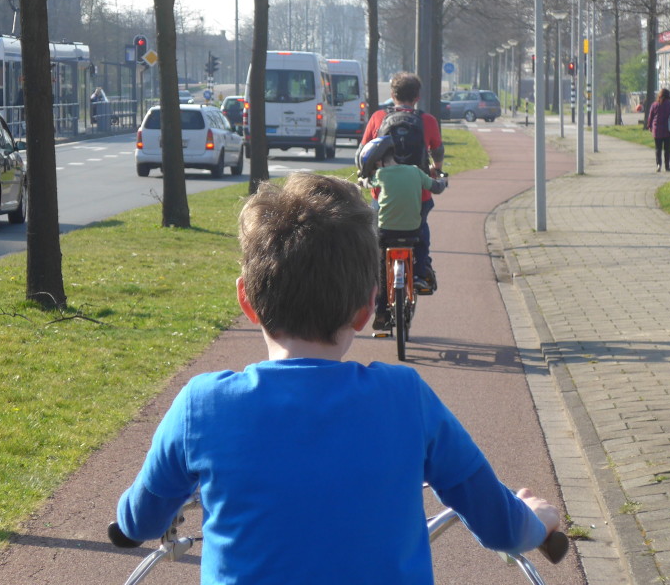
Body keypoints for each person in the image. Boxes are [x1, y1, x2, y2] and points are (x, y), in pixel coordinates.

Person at [110, 173, 560, 584]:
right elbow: (502, 525)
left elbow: (140, 520)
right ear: (367, 308)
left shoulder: (202, 407)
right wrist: (536, 519)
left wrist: (128, 522)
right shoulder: (407, 399)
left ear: (247, 300)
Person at [360, 72, 444, 289]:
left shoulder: (378, 118)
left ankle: (376, 286)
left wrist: (367, 175)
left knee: (377, 235)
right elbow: (437, 150)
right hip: (419, 194)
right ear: (417, 97)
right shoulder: (427, 120)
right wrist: (437, 170)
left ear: (392, 94)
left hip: (382, 194)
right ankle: (420, 272)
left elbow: (363, 151)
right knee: (421, 226)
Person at [358, 135, 447, 330]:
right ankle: (419, 275)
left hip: (386, 232)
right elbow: (436, 187)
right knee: (422, 243)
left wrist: (362, 180)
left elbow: (367, 183)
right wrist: (443, 181)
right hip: (411, 231)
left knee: (381, 268)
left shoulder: (380, 175)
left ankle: (381, 313)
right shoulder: (415, 172)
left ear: (379, 161)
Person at [645, 88, 670, 172]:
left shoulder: (654, 105)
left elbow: (650, 117)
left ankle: (658, 165)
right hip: (668, 130)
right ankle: (667, 166)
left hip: (657, 130)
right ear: (668, 95)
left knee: (658, 149)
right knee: (667, 149)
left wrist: (649, 126)